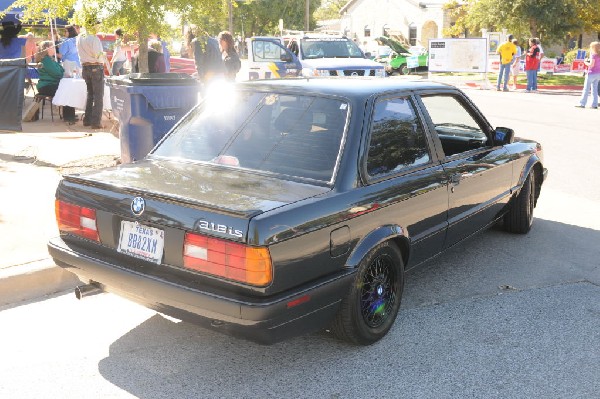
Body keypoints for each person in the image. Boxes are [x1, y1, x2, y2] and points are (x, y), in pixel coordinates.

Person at [35, 41, 77, 123]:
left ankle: (69, 116)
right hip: (46, 86)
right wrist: (61, 72)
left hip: (50, 84)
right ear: (47, 48)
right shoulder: (46, 60)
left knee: (68, 90)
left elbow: (61, 70)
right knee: (66, 91)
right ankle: (68, 117)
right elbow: (57, 73)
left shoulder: (50, 59)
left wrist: (61, 71)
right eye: (53, 47)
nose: (55, 49)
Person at [76, 19, 106, 129]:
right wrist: (103, 55)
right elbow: (98, 55)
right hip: (95, 67)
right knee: (98, 95)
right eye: (98, 25)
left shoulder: (80, 37)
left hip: (85, 67)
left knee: (90, 94)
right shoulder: (94, 38)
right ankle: (96, 122)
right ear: (93, 26)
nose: (99, 28)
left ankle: (87, 120)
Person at [575, 42, 600, 109]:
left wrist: (585, 62)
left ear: (593, 47)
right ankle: (594, 105)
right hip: (598, 74)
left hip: (591, 73)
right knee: (594, 90)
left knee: (586, 89)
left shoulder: (593, 55)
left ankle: (582, 103)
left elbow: (591, 64)